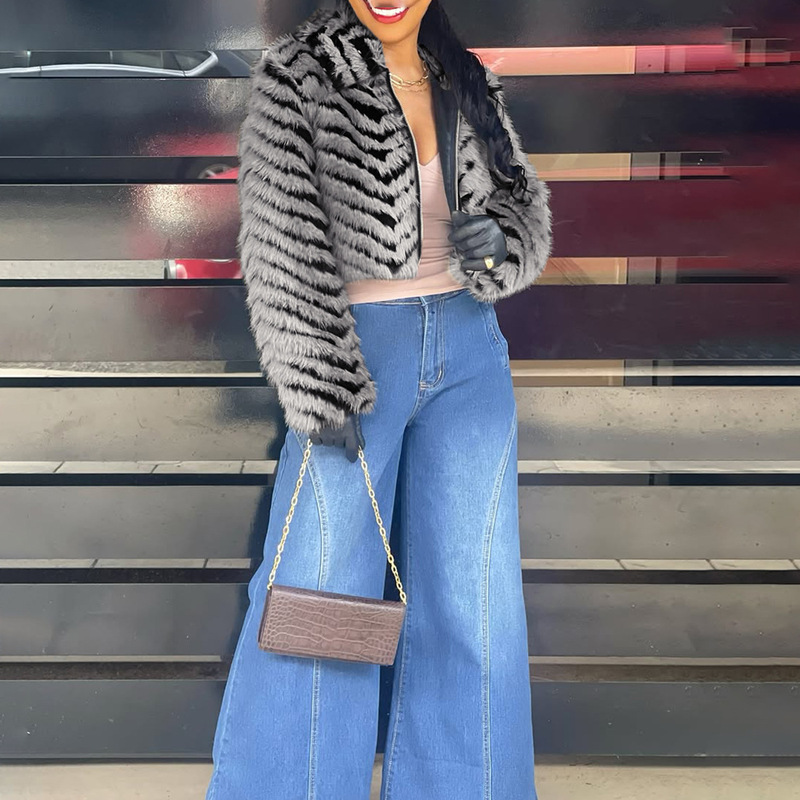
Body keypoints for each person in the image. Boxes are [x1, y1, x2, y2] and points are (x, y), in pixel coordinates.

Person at [205, 0, 551, 798]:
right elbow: (279, 239)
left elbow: (519, 198)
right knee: (320, 591)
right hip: (358, 351)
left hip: (470, 348)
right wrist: (317, 377)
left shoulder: (461, 73)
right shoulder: (302, 74)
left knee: (475, 598)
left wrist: (504, 240)